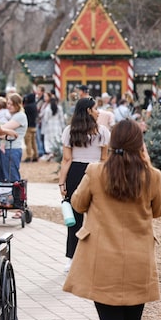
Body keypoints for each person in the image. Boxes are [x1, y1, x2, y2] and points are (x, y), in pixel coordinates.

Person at [63, 119, 161, 320]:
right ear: (140, 145)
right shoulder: (153, 175)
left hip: (103, 259)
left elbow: (78, 204)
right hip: (139, 259)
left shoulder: (96, 172)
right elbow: (158, 210)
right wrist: (146, 162)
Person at [57, 97, 110, 273]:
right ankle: (96, 257)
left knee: (74, 219)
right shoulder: (102, 132)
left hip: (74, 173)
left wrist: (62, 181)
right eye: (96, 108)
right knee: (96, 218)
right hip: (95, 172)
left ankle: (71, 259)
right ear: (88, 110)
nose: (98, 111)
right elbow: (104, 159)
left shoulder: (69, 131)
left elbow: (67, 159)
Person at [0, 93, 27, 183]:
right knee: (8, 177)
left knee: (12, 177)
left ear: (17, 104)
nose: (9, 106)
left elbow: (2, 129)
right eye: (8, 104)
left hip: (13, 148)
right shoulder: (13, 116)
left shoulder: (20, 116)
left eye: (11, 104)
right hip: (9, 148)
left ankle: (16, 196)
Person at [40, 92, 65, 161]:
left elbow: (45, 119)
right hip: (57, 126)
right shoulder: (59, 108)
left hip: (49, 127)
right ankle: (56, 153)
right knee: (57, 139)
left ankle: (50, 153)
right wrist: (63, 128)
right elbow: (62, 119)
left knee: (49, 140)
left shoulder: (47, 108)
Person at [22, 93, 38, 163]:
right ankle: (35, 155)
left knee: (28, 142)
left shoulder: (27, 107)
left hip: (28, 126)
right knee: (33, 142)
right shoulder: (35, 106)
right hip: (34, 126)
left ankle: (29, 156)